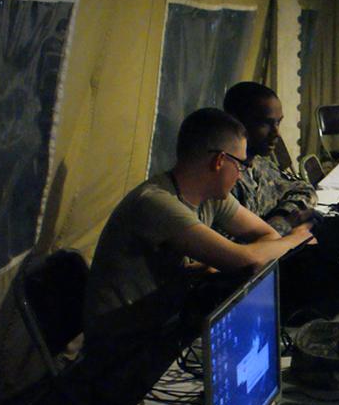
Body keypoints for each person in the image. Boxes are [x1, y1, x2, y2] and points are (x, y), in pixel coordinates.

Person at [84, 108, 313, 347]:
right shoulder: (155, 203)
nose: (242, 173)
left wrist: (264, 248)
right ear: (219, 161)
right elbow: (246, 260)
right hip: (123, 345)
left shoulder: (213, 196)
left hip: (167, 323)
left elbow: (268, 235)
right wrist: (297, 237)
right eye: (241, 165)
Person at [223, 82, 317, 235]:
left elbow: (303, 189)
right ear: (236, 122)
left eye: (278, 122)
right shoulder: (221, 180)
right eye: (265, 124)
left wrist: (281, 216)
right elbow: (232, 251)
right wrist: (284, 225)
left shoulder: (260, 164)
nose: (277, 133)